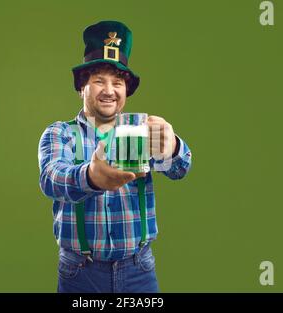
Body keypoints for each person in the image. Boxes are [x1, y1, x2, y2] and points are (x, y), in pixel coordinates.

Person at [38, 20, 192, 293]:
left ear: (126, 91)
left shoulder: (140, 131)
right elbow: (51, 178)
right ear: (81, 87)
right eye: (99, 81)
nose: (109, 90)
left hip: (139, 271)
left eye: (118, 82)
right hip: (80, 273)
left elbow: (180, 169)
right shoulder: (60, 133)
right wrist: (91, 177)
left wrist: (173, 148)